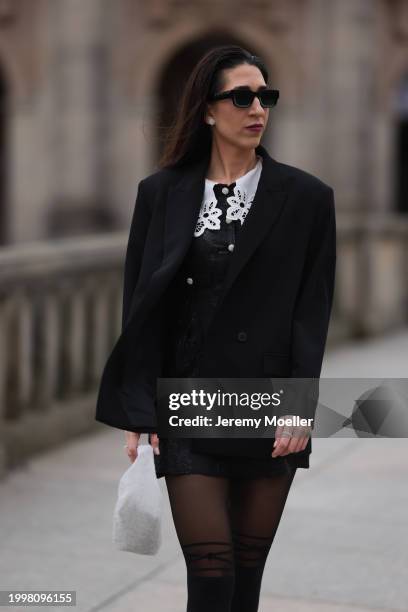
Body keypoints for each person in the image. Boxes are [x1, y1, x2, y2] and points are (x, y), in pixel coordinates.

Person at [95, 45, 336, 611]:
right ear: (207, 109)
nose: (258, 108)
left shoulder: (307, 198)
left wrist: (301, 405)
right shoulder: (161, 194)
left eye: (266, 96)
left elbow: (312, 310)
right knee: (210, 571)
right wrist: (138, 408)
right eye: (242, 97)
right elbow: (142, 305)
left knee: (245, 578)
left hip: (267, 408)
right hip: (187, 406)